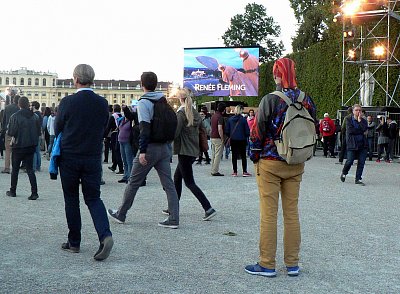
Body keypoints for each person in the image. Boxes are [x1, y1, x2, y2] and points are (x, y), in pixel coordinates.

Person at [245, 57, 316, 277]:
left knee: (269, 215)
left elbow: (257, 132)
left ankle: (267, 264)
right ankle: (292, 264)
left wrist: (254, 155)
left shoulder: (271, 100)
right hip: (295, 161)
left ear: (277, 74)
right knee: (292, 214)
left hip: (270, 162)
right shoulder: (307, 100)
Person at [55, 64, 113, 261]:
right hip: (92, 156)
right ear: (92, 79)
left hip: (70, 156)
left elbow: (57, 127)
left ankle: (74, 242)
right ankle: (105, 235)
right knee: (93, 198)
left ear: (75, 79)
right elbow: (105, 126)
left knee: (71, 199)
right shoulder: (102, 103)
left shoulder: (67, 102)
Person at [107, 71, 180, 229]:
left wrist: (143, 151)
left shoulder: (144, 102)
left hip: (150, 148)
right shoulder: (163, 101)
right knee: (168, 184)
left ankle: (121, 214)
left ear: (142, 84)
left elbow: (145, 129)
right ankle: (174, 218)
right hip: (164, 148)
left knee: (133, 182)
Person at [165, 88, 216, 220]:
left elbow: (176, 133)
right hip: (193, 150)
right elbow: (202, 129)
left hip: (184, 150)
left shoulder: (181, 113)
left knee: (189, 182)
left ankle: (208, 208)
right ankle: (173, 207)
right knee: (177, 178)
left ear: (180, 99)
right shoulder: (193, 112)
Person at [6, 96, 41, 200]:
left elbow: (11, 132)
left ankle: (13, 190)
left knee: (15, 170)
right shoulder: (35, 116)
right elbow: (38, 132)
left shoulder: (14, 116)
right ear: (28, 104)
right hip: (30, 146)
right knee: (30, 170)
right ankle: (34, 192)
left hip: (18, 146)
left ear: (19, 105)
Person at [340, 104, 368, 186]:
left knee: (361, 162)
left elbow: (365, 129)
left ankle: (358, 178)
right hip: (352, 143)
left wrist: (359, 122)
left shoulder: (363, 121)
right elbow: (351, 130)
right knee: (350, 161)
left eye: (360, 110)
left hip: (362, 144)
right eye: (356, 110)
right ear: (353, 111)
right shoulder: (348, 119)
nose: (358, 112)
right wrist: (360, 130)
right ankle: (344, 172)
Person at [225, 105, 251, 177]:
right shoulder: (243, 120)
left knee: (234, 155)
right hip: (242, 139)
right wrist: (246, 136)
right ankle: (244, 171)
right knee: (243, 156)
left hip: (233, 139)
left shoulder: (230, 119)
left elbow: (227, 130)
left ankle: (235, 171)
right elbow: (247, 131)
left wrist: (230, 136)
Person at [1, 91, 20, 174]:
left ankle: (7, 168)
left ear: (13, 100)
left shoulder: (7, 108)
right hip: (18, 133)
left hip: (8, 131)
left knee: (8, 150)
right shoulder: (20, 109)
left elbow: (4, 120)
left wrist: (3, 130)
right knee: (16, 150)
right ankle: (15, 167)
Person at [210, 102, 227, 176]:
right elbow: (220, 129)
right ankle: (215, 171)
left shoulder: (213, 116)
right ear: (223, 109)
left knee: (213, 154)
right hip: (218, 138)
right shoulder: (220, 117)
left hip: (212, 137)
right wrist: (222, 138)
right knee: (218, 155)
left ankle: (212, 169)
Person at [30, 101, 43, 172]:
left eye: (31, 105)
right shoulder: (40, 114)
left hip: (34, 134)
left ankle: (34, 167)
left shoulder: (34, 115)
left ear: (34, 106)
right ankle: (38, 166)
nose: (30, 107)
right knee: (38, 151)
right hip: (39, 134)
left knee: (34, 151)